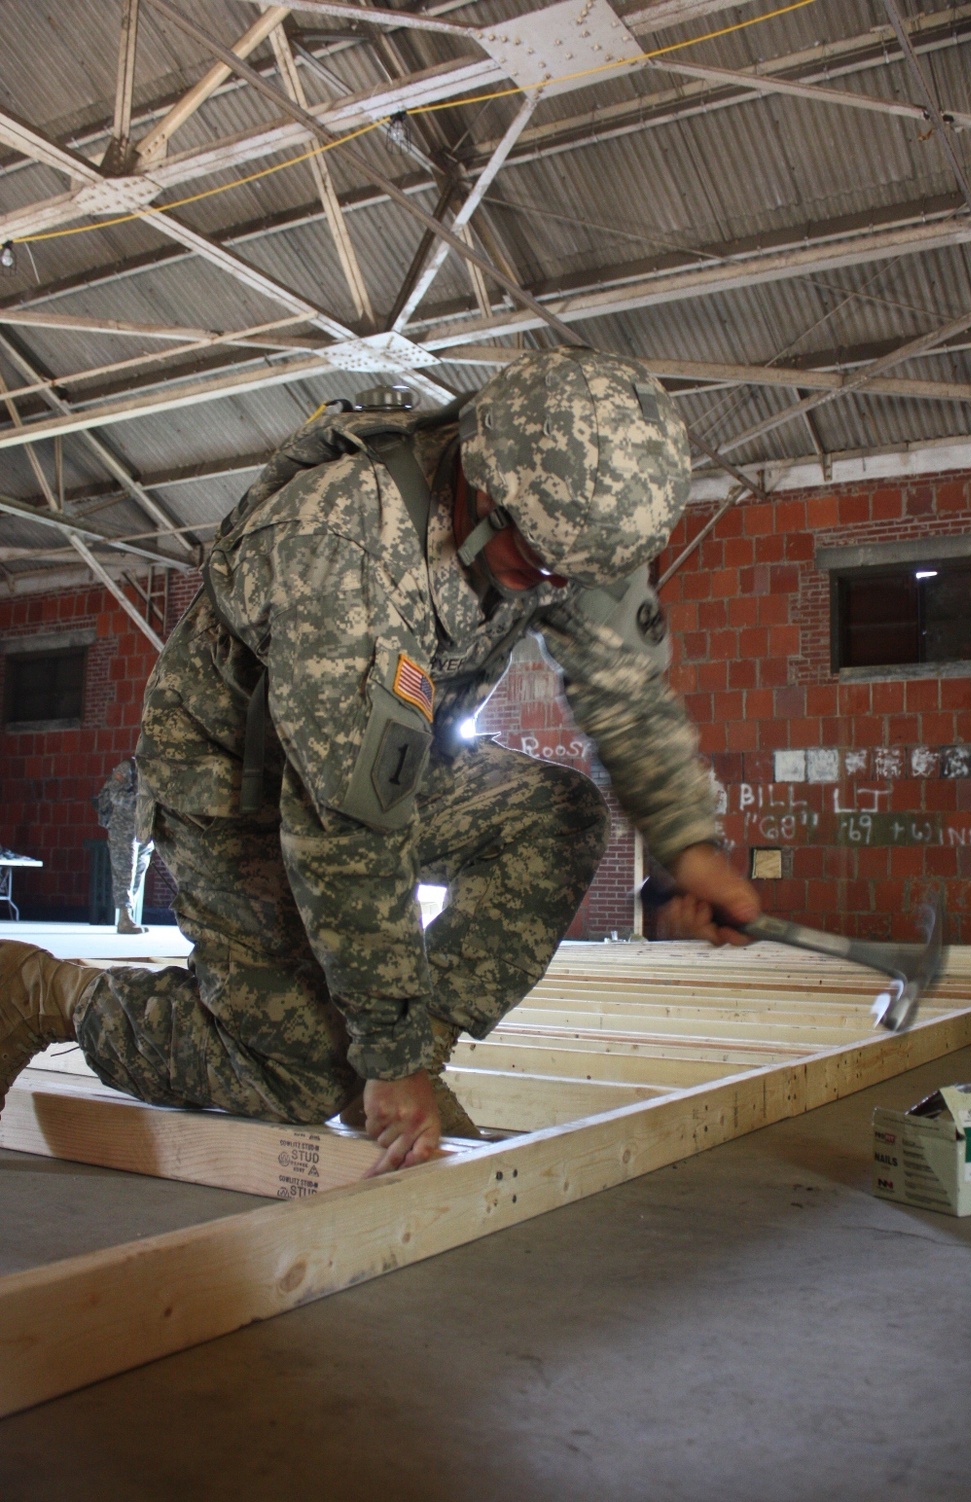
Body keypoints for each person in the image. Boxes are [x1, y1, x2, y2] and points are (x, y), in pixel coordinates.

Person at [0, 347, 758, 1175]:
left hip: (371, 762)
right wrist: (383, 1051)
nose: (550, 589)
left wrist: (691, 848)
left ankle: (401, 1068)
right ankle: (49, 994)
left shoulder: (564, 522)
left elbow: (626, 688)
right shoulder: (346, 543)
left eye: (569, 575)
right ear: (481, 478)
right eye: (539, 564)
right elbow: (348, 835)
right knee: (298, 1074)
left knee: (558, 819)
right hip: (229, 786)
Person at [95, 758, 154, 934]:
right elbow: (116, 795)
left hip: (144, 828)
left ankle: (129, 916)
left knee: (138, 872)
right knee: (125, 871)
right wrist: (145, 804)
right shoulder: (128, 767)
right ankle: (123, 918)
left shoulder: (158, 769)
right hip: (123, 827)